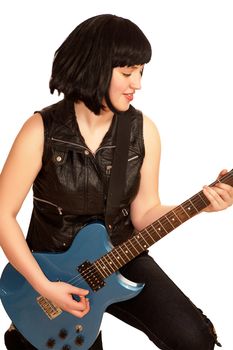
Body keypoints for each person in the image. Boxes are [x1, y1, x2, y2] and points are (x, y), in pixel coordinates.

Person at [0, 14, 232, 350]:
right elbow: (3, 213)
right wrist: (44, 286)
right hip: (54, 268)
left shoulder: (143, 131)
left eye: (140, 71)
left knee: (194, 338)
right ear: (94, 67)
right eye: (127, 72)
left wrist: (201, 206)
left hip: (121, 256)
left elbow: (144, 214)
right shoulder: (39, 131)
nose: (137, 83)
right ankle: (24, 334)